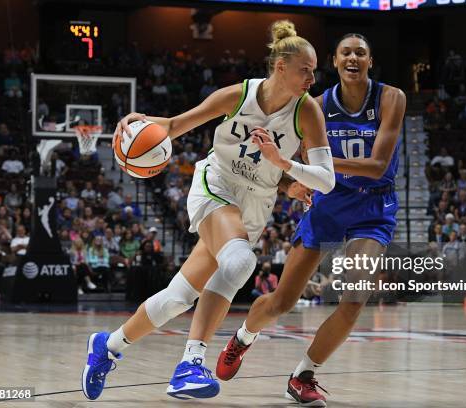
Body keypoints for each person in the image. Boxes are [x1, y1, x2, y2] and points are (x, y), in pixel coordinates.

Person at [81, 20, 333, 401]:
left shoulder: (308, 112)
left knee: (177, 297)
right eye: (306, 69)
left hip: (255, 205)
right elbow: (174, 124)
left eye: (314, 71)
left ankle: (107, 346)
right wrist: (141, 123)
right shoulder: (237, 96)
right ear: (281, 66)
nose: (312, 77)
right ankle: (190, 365)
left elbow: (326, 180)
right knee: (239, 262)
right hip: (215, 187)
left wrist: (286, 171)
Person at [217, 33, 405, 406]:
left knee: (354, 297)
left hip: (372, 210)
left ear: (370, 60)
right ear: (334, 62)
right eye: (345, 53)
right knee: (281, 302)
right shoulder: (314, 106)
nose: (353, 58)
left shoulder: (390, 97)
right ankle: (242, 338)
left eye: (361, 53)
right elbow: (290, 163)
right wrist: (294, 179)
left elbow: (378, 164)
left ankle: (304, 374)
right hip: (328, 205)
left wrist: (312, 168)